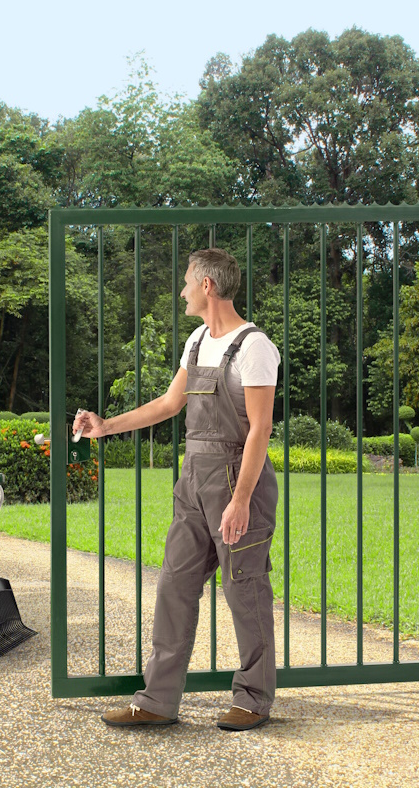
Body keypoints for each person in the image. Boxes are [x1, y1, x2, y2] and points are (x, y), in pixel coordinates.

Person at [73, 248, 279, 732]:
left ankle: (253, 700)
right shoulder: (196, 340)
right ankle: (157, 701)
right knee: (173, 586)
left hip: (235, 477)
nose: (182, 291)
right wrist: (106, 426)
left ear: (207, 286)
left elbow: (260, 429)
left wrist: (242, 498)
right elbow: (169, 404)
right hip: (193, 478)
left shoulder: (254, 347)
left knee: (244, 588)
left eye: (187, 282)